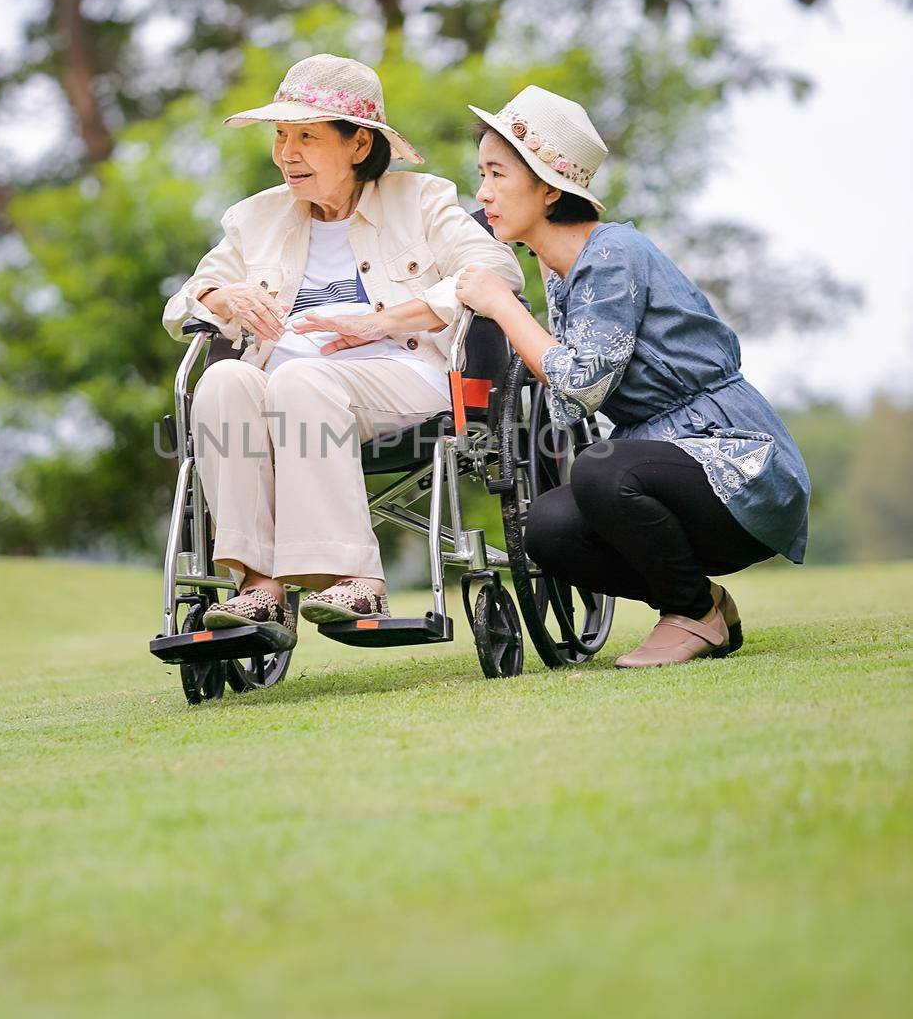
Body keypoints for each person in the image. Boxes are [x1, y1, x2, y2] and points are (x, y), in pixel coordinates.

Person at [162, 53, 523, 638]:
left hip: (400, 374)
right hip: (287, 386)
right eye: (281, 136)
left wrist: (382, 322)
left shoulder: (422, 201)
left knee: (301, 380)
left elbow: (496, 269)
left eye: (307, 135)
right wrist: (223, 298)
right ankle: (259, 587)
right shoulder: (256, 217)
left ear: (358, 144)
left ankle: (356, 580)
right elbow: (186, 300)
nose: (286, 153)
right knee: (223, 381)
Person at [453, 84, 810, 668]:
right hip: (660, 463)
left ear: (547, 188)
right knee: (547, 528)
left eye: (496, 175)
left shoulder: (613, 252)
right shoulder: (562, 271)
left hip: (736, 462)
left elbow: (579, 387)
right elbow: (569, 405)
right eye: (482, 174)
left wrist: (502, 304)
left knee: (596, 470)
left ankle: (690, 619)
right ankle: (702, 604)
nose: (482, 192)